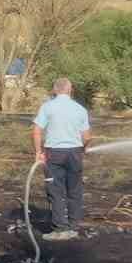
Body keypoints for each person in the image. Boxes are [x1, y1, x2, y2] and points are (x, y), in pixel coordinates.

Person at [32, 77, 90, 241]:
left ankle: (60, 229)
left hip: (54, 153)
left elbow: (36, 131)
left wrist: (38, 151)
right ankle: (73, 227)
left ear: (54, 90)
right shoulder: (80, 109)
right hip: (74, 153)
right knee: (74, 190)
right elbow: (87, 137)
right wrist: (82, 149)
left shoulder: (47, 107)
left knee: (56, 191)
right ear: (70, 90)